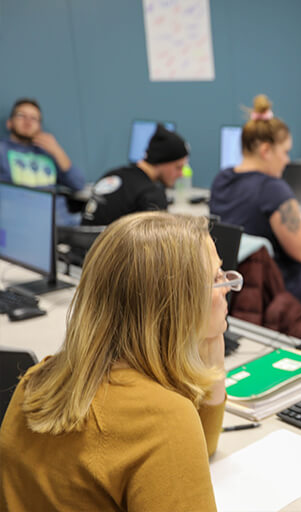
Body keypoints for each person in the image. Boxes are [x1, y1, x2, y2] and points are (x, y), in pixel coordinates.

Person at [0, 211, 237, 511]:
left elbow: (201, 448)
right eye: (216, 278)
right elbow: (180, 443)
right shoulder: (164, 419)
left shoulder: (37, 379)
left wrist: (211, 360)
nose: (228, 286)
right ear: (177, 303)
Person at [209, 94, 301, 315]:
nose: (286, 160)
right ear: (266, 150)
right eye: (284, 152)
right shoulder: (272, 188)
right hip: (278, 291)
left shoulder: (222, 179)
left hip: (239, 288)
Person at [0, 97, 85, 225]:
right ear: (9, 123)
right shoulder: (3, 149)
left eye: (34, 118)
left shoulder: (48, 151)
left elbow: (78, 184)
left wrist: (58, 151)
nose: (28, 122)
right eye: (21, 116)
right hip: (20, 221)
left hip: (61, 223)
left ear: (40, 126)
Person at [81, 124, 188, 225]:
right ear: (161, 162)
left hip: (85, 243)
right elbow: (157, 243)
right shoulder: (152, 195)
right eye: (178, 167)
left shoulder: (112, 175)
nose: (181, 174)